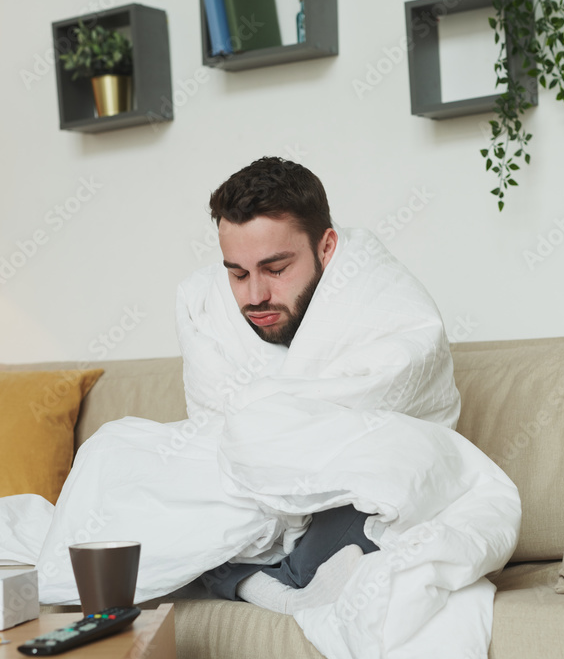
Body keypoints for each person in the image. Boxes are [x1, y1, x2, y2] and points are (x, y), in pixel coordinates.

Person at [193, 156, 456, 613]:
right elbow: (211, 425)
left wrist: (265, 416)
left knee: (336, 544)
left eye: (276, 269)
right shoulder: (204, 306)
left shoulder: (382, 301)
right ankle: (271, 581)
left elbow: (399, 395)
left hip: (362, 483)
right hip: (256, 485)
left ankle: (275, 581)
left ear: (327, 247)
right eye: (237, 273)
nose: (254, 295)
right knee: (156, 517)